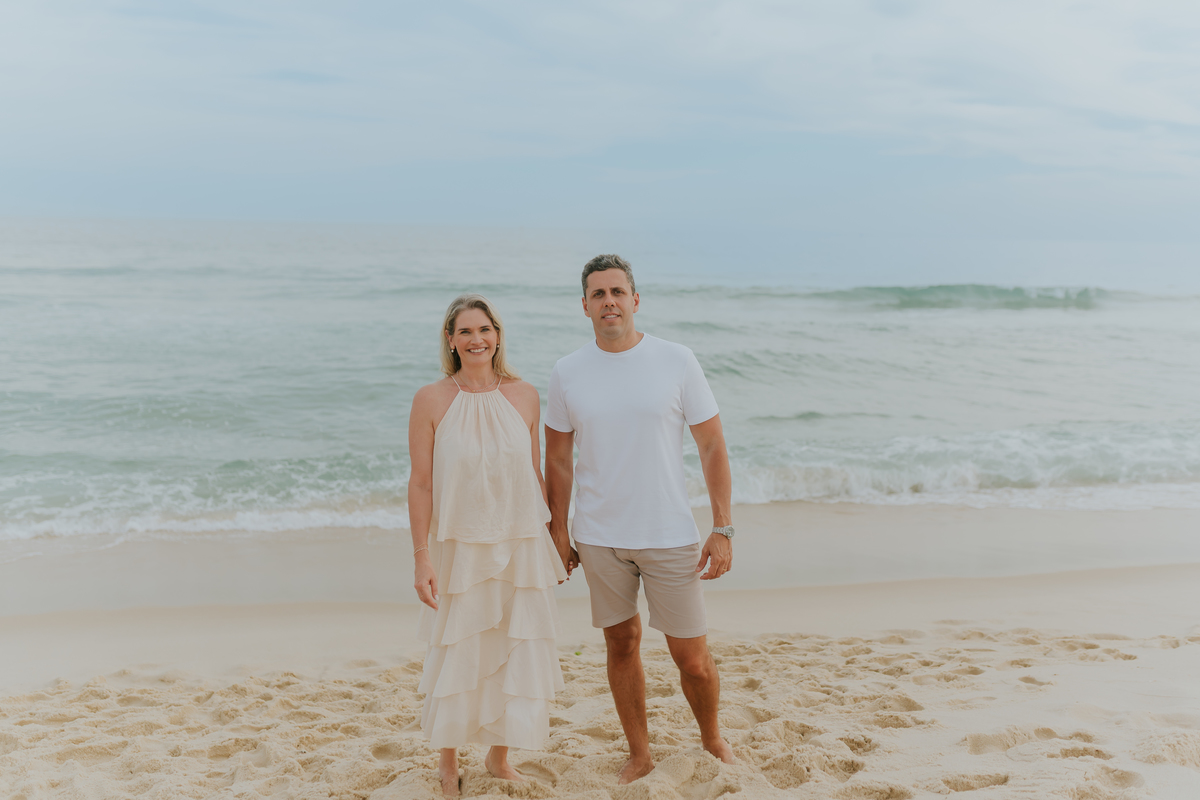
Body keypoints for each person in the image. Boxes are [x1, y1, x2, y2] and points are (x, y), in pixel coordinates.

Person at [544, 254, 737, 785]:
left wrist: (722, 527)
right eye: (598, 294)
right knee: (620, 643)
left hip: (669, 534)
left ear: (635, 299)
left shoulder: (676, 360)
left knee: (692, 658)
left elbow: (712, 443)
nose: (609, 302)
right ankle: (639, 752)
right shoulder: (568, 371)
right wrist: (558, 530)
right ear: (584, 306)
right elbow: (557, 459)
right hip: (600, 536)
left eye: (617, 292)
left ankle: (713, 737)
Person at [408, 293, 568, 797]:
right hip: (460, 545)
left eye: (485, 329)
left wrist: (552, 539)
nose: (476, 339)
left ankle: (500, 757)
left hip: (519, 540)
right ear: (451, 341)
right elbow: (420, 484)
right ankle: (449, 761)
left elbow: (536, 471)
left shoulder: (524, 394)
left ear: (497, 335)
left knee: (514, 647)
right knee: (459, 648)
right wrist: (421, 559)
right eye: (465, 331)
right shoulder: (431, 399)